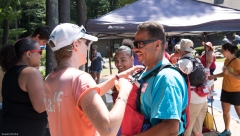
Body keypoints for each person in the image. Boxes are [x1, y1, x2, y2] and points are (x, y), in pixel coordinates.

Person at [44, 23, 143, 136]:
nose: (87, 47)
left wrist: (117, 77)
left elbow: (84, 94)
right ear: (75, 44)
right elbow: (109, 129)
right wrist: (124, 92)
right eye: (85, 43)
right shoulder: (79, 79)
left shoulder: (50, 79)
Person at [132, 21, 188, 135]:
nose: (135, 49)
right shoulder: (147, 72)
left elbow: (170, 128)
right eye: (134, 44)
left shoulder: (167, 78)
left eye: (140, 44)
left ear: (157, 45)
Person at [0, 39, 47, 136]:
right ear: (28, 54)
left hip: (8, 128)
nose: (41, 55)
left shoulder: (9, 73)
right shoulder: (30, 73)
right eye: (39, 52)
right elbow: (40, 107)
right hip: (27, 130)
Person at [208, 43, 240, 136]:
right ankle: (227, 130)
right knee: (225, 112)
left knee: (238, 112)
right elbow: (224, 73)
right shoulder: (226, 61)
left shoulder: (237, 62)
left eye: (222, 50)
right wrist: (214, 76)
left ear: (227, 50)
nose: (221, 52)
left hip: (236, 91)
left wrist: (229, 74)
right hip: (225, 90)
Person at [177, 39, 207, 136]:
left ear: (181, 50)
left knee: (187, 131)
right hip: (203, 99)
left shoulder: (183, 62)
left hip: (193, 101)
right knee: (198, 131)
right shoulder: (197, 60)